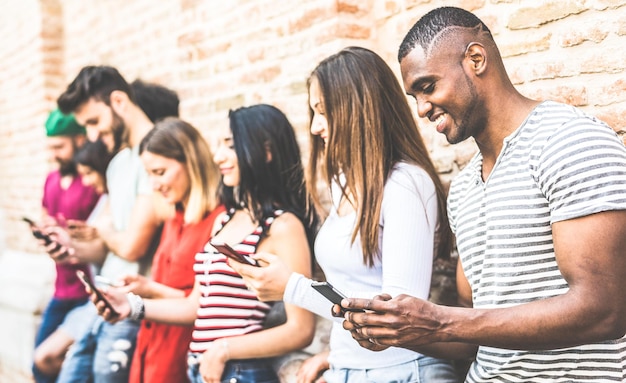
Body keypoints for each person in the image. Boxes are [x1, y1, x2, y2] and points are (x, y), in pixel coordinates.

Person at [339, 6, 626, 383]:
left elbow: (605, 310)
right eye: (414, 97)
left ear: (475, 59)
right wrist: (400, 332)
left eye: (428, 87)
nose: (423, 108)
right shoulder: (463, 189)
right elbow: (472, 333)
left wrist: (439, 321)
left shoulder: (567, 142)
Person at [229, 47, 459, 383]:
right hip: (348, 369)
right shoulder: (343, 184)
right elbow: (351, 290)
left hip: (401, 372)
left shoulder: (405, 184)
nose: (315, 126)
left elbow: (394, 315)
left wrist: (292, 287)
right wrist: (335, 359)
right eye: (312, 112)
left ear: (357, 109)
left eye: (322, 111)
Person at [92, 104, 317, 383]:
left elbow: (301, 328)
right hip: (203, 369)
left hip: (239, 371)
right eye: (218, 145)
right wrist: (131, 305)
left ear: (267, 152)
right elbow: (196, 305)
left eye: (230, 145)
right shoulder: (224, 219)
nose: (217, 156)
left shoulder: (283, 226)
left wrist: (223, 349)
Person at [46, 65, 167, 383]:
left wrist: (103, 232)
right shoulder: (117, 164)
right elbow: (104, 241)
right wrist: (68, 246)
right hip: (100, 295)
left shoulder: (157, 157)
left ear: (119, 102)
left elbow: (131, 245)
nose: (92, 135)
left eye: (94, 122)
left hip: (131, 303)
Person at [123, 116, 223, 383]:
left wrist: (138, 301)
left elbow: (205, 303)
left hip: (181, 354)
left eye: (160, 172)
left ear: (190, 162)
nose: (154, 184)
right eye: (149, 175)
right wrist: (148, 286)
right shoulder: (174, 217)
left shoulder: (220, 222)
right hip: (151, 344)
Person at [33, 138, 113, 382]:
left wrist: (74, 241)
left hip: (92, 288)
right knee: (41, 364)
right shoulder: (51, 180)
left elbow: (107, 245)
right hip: (62, 287)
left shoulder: (98, 190)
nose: (54, 153)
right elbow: (46, 215)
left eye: (60, 146)